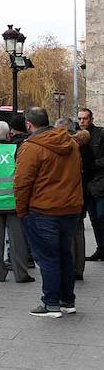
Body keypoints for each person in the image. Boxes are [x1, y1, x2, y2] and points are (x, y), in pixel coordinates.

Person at [14, 107, 83, 318]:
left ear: (28, 124)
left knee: (48, 257)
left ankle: (51, 302)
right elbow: (78, 173)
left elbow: (22, 183)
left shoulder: (31, 148)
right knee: (64, 254)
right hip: (70, 207)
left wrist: (21, 210)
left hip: (43, 209)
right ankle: (67, 300)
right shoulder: (71, 143)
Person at [0, 121, 34, 283]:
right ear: (8, 135)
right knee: (17, 240)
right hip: (13, 202)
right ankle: (21, 273)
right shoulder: (15, 150)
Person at [78, 108, 104, 261]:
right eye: (80, 119)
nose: (82, 122)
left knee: (101, 216)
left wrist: (94, 164)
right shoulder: (77, 136)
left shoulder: (100, 134)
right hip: (86, 184)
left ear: (91, 119)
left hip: (100, 182)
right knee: (94, 218)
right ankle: (101, 249)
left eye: (85, 118)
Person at [73, 129, 93, 280]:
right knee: (78, 232)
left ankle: (71, 267)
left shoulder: (71, 149)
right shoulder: (87, 150)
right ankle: (78, 268)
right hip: (81, 195)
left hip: (68, 197)